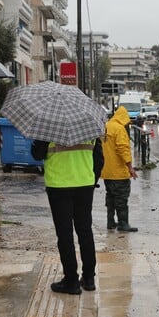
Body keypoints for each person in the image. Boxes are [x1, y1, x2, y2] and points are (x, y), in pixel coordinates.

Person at [31, 137, 103, 295]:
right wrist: (91, 180)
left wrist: (38, 141)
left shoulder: (48, 129)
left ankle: (71, 281)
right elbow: (99, 159)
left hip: (59, 186)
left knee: (65, 234)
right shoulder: (88, 128)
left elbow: (37, 155)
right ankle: (89, 279)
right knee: (85, 231)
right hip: (84, 184)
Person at [101, 106, 139, 232]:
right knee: (121, 198)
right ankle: (123, 223)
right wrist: (130, 167)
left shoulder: (106, 126)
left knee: (110, 197)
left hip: (107, 171)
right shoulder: (119, 129)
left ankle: (110, 222)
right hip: (118, 172)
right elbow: (122, 149)